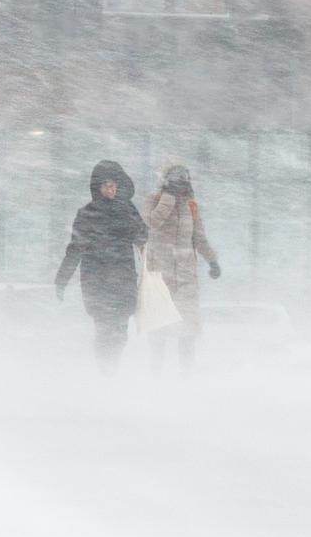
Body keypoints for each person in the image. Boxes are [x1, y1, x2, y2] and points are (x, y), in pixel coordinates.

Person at [55, 160, 149, 376]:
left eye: (114, 185)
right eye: (107, 185)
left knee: (121, 331)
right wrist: (62, 278)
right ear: (98, 187)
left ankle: (111, 369)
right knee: (105, 330)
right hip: (96, 281)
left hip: (123, 279)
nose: (111, 189)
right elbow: (75, 248)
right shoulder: (87, 214)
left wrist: (129, 214)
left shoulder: (126, 210)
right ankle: (106, 371)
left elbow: (143, 236)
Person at [144, 163, 220, 374]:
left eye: (184, 180)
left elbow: (199, 237)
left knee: (188, 328)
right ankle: (156, 373)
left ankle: (186, 373)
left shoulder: (191, 206)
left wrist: (212, 260)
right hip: (160, 275)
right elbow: (152, 223)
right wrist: (168, 198)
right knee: (159, 328)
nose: (181, 184)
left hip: (186, 276)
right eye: (177, 180)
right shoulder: (154, 200)